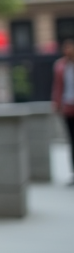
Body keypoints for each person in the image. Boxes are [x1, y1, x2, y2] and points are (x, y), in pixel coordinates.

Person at [52, 39, 74, 184]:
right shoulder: (60, 66)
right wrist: (56, 103)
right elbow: (58, 87)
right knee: (71, 141)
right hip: (68, 107)